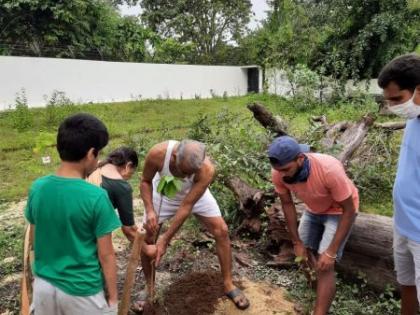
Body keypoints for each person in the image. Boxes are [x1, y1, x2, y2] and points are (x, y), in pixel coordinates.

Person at [133, 139, 250, 312]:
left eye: (191, 173)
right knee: (149, 237)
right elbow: (145, 181)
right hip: (163, 193)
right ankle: (149, 286)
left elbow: (186, 206)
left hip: (195, 196)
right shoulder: (158, 154)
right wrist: (150, 210)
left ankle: (228, 284)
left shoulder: (207, 169)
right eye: (184, 172)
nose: (187, 177)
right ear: (174, 157)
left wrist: (166, 238)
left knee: (222, 231)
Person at [25, 113, 121, 314]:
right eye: (99, 153)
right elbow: (106, 255)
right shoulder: (96, 197)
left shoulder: (38, 188)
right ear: (90, 153)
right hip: (82, 292)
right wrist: (113, 299)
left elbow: (34, 238)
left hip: (43, 287)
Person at [268, 135, 358, 315]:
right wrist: (296, 242)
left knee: (325, 263)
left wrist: (331, 252)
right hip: (313, 209)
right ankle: (318, 288)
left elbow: (349, 210)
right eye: (279, 170)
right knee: (304, 254)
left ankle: (320, 310)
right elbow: (287, 204)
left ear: (301, 158)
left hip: (339, 210)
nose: (282, 174)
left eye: (286, 169)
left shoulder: (328, 169)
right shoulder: (279, 172)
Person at [378, 53, 420, 315]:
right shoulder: (414, 118)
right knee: (406, 283)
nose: (392, 106)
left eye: (397, 99)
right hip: (402, 224)